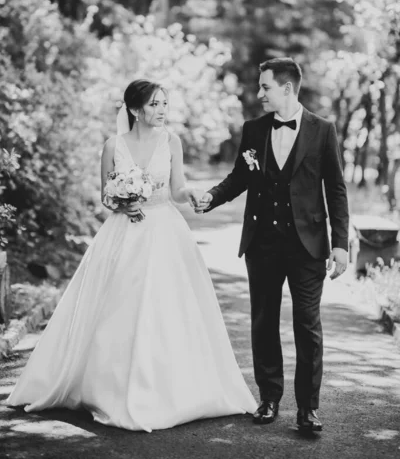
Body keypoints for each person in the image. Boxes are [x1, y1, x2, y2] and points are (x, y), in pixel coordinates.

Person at [7, 79, 257, 432]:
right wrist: (123, 201)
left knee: (167, 308)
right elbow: (105, 197)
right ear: (136, 109)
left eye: (164, 104)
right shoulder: (113, 145)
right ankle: (104, 386)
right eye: (155, 105)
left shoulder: (172, 141)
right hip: (123, 232)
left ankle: (166, 388)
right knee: (116, 307)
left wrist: (196, 195)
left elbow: (177, 188)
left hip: (165, 231)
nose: (162, 111)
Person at [195, 58, 349, 432]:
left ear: (287, 88)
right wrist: (210, 197)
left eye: (265, 87)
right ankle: (269, 399)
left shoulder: (323, 130)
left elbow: (337, 189)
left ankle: (308, 410)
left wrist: (341, 244)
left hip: (308, 246)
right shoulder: (253, 129)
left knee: (307, 326)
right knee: (264, 322)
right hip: (262, 242)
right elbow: (239, 178)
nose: (259, 93)